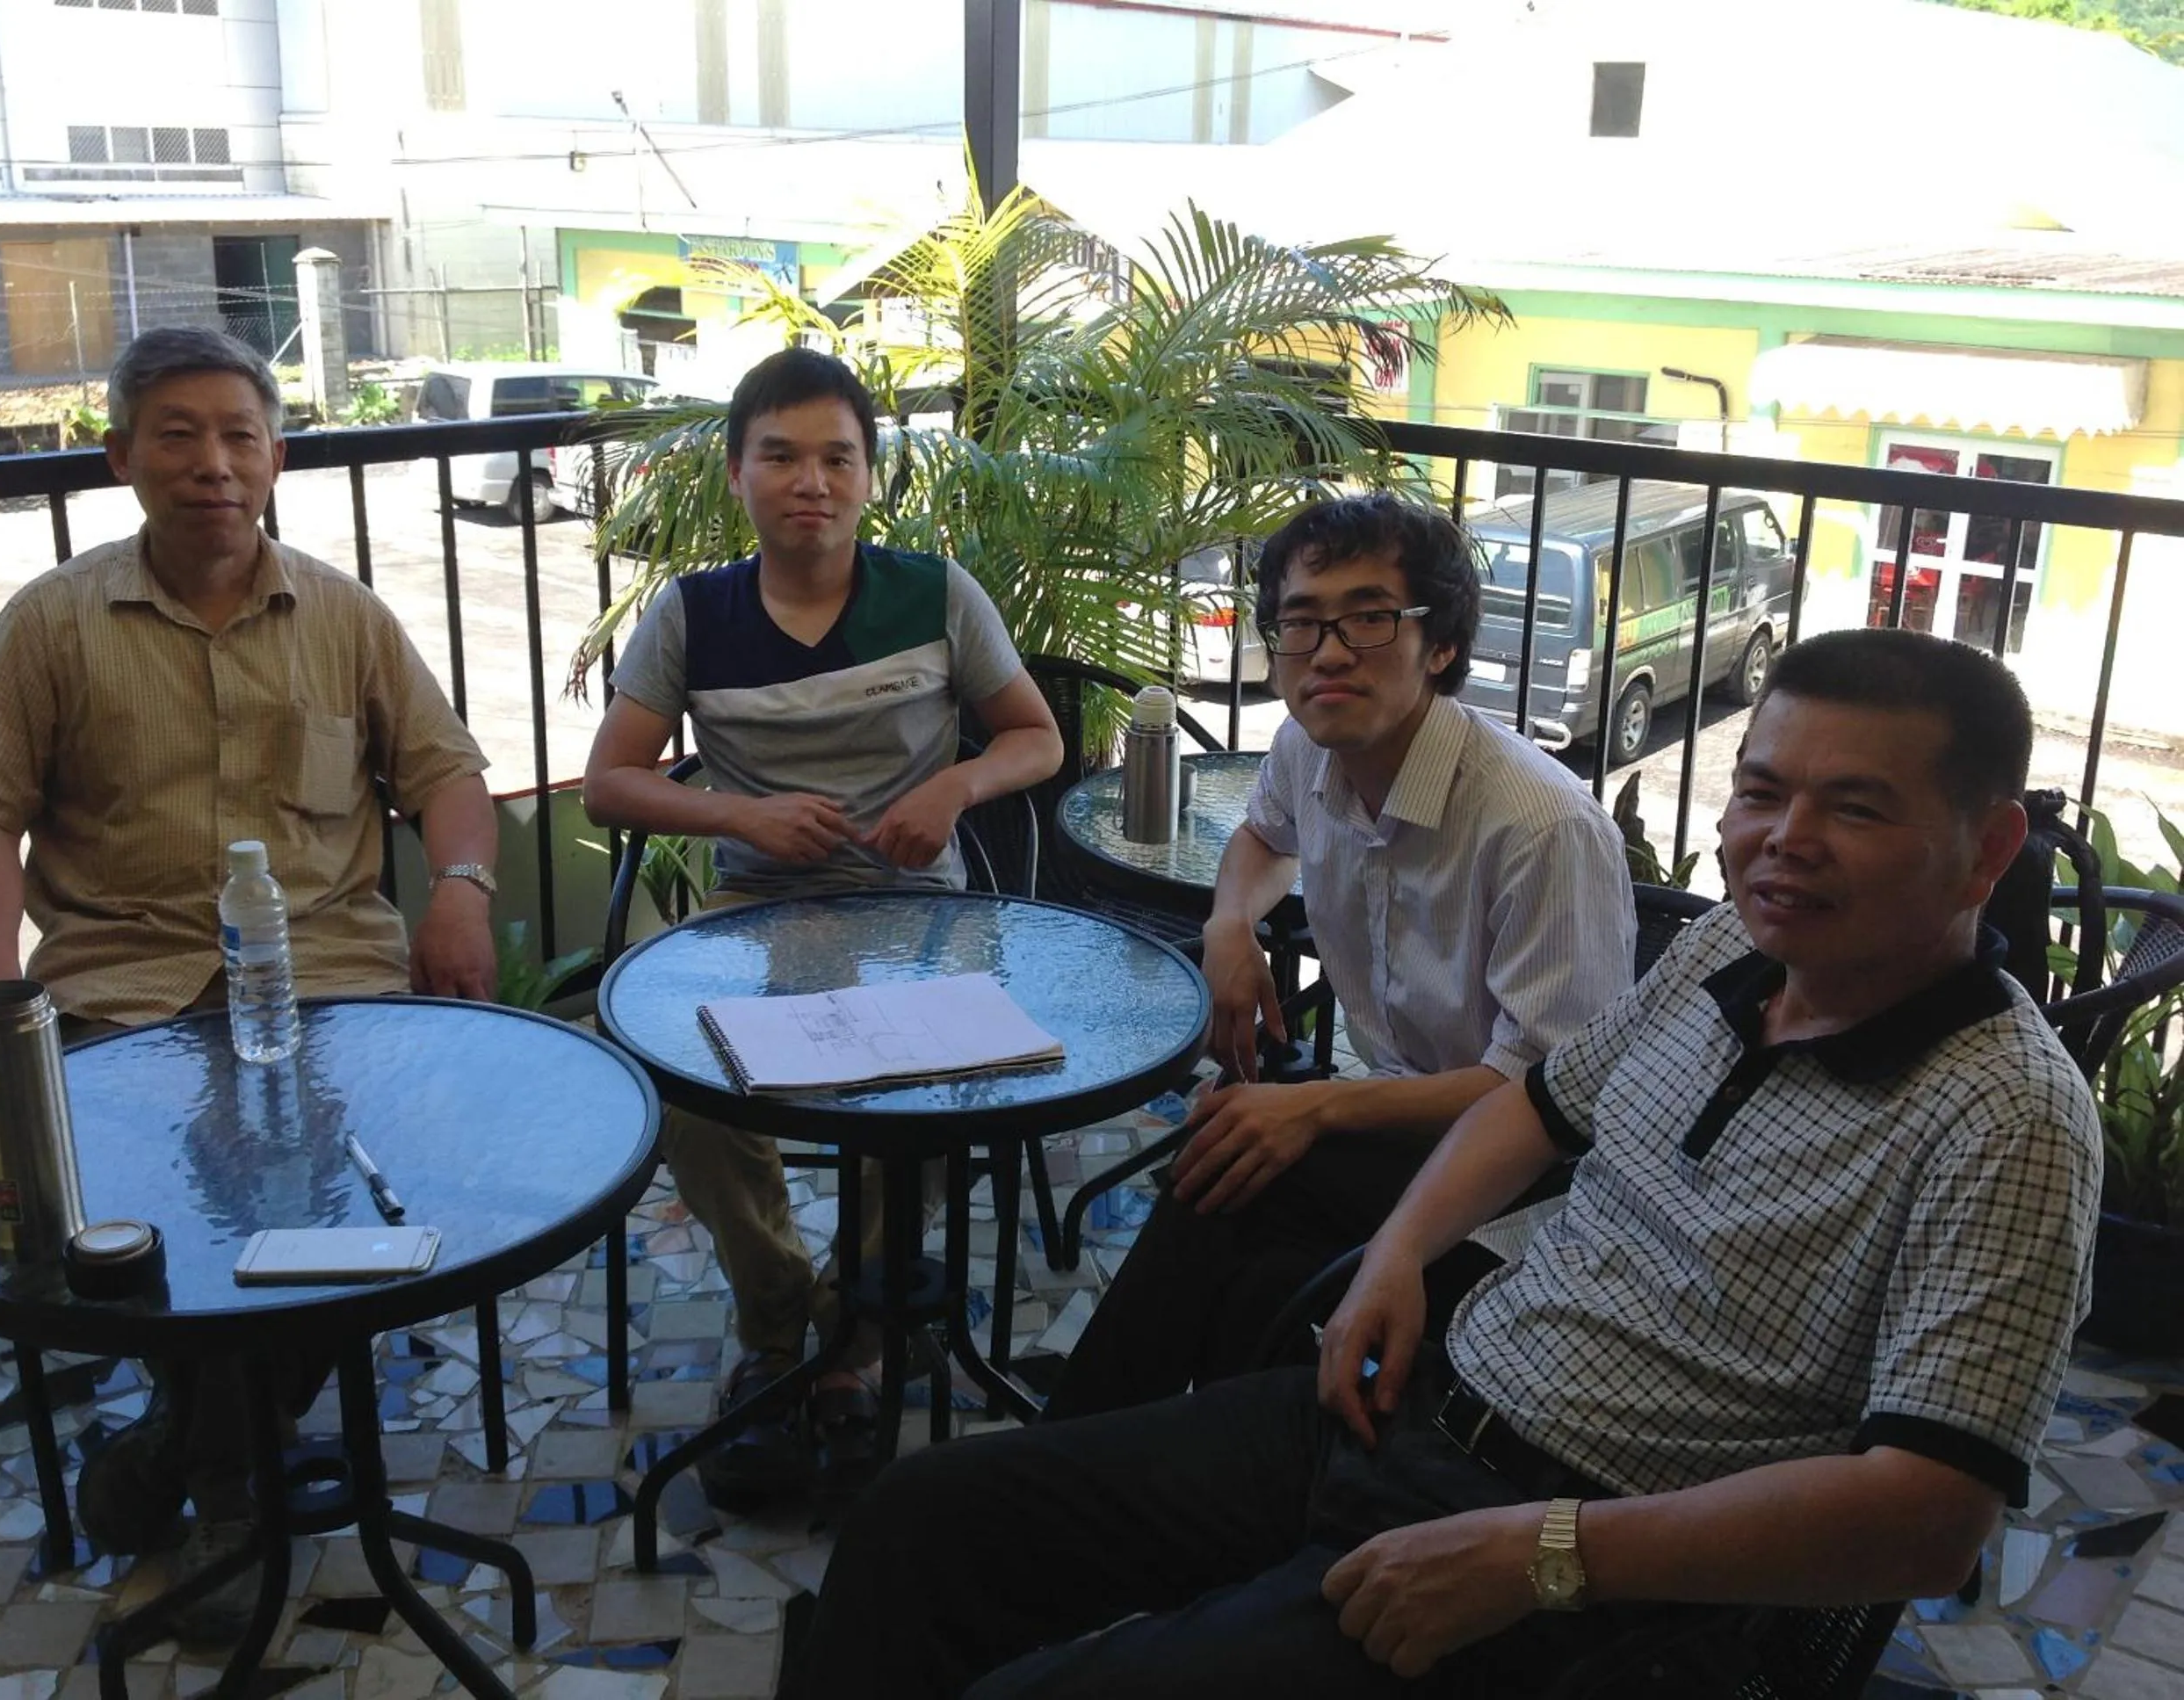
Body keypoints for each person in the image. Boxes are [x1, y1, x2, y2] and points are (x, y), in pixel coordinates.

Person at [778, 626, 2101, 1700]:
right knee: (921, 1519)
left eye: (1854, 807)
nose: (1783, 838)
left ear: (1987, 849)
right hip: (1409, 1406)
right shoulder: (1727, 955)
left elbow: (1929, 1515)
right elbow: (1539, 1105)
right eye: (1760, 791)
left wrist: (1549, 1554)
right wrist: (1399, 1257)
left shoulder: (2008, 1117)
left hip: (1583, 1564)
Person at [0, 324, 497, 1639]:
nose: (212, 465)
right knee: (201, 1196)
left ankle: (185, 1455)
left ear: (277, 457)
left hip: (333, 983)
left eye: (240, 436)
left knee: (348, 1176)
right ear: (120, 456)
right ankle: (233, 1473)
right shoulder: (54, 621)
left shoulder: (345, 615)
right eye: (176, 436)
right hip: (123, 992)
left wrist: (461, 888)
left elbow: (448, 776)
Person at [582, 346, 1062, 1507]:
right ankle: (777, 1315)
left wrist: (954, 787)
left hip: (916, 906)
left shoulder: (936, 593)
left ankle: (855, 1327)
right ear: (736, 472)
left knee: (948, 1079)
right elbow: (609, 782)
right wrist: (739, 812)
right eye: (781, 456)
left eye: (838, 458)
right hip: (755, 911)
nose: (812, 482)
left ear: (869, 475)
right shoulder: (693, 613)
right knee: (680, 1079)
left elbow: (1035, 737)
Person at [1046, 493, 1632, 1419]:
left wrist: (1318, 1106)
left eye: (1367, 619)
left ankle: (1087, 1443)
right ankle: (1166, 1458)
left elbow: (1547, 1099)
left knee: (1231, 1169)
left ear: (1439, 643)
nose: (1326, 653)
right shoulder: (1305, 748)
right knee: (1250, 1258)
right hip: (1409, 1124)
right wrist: (1229, 926)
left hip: (1533, 1188)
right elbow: (1262, 837)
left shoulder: (1540, 826)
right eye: (1301, 623)